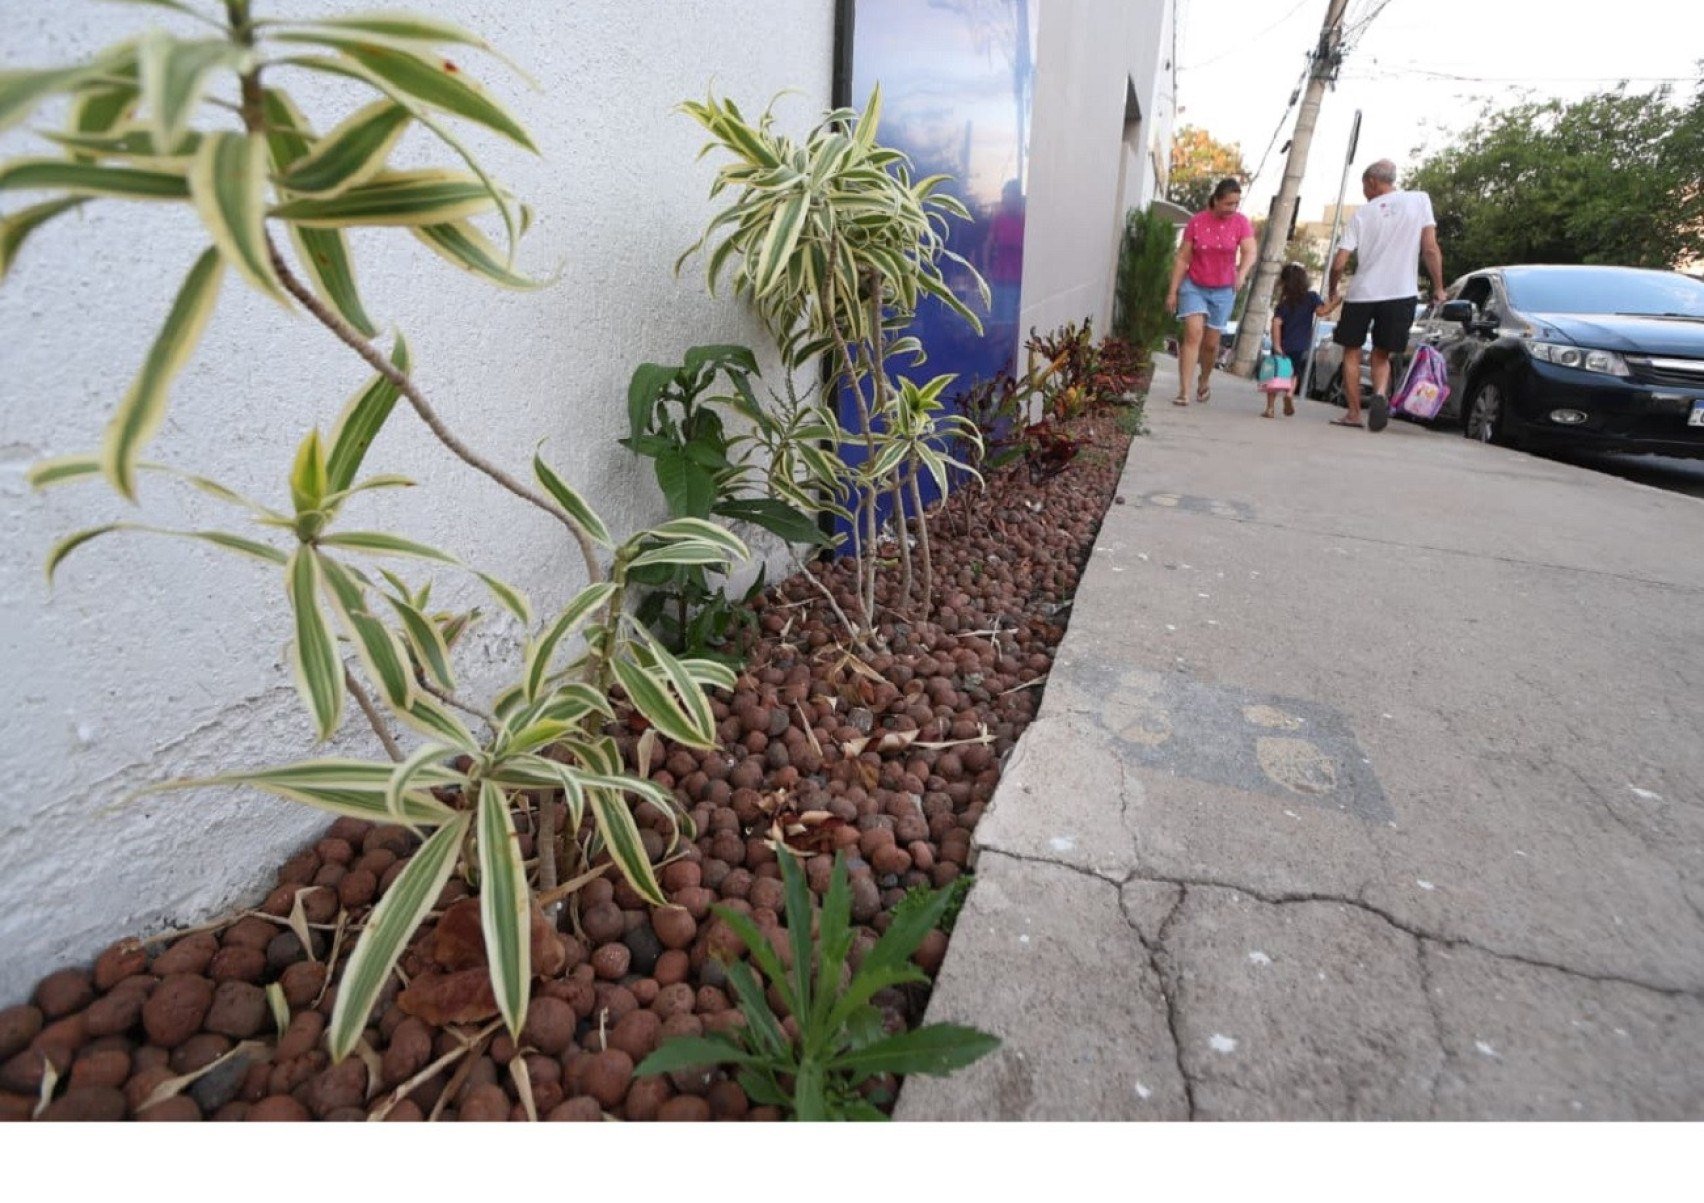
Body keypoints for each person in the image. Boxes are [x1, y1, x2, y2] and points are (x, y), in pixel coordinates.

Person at [1325, 159, 1445, 431]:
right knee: (1382, 354)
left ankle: (1353, 413)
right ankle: (1379, 393)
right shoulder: (1419, 200)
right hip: (1401, 293)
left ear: (1371, 182)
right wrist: (1438, 287)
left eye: (1363, 186)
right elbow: (1430, 248)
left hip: (1362, 294)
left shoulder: (1361, 214)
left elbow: (1339, 263)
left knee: (1351, 352)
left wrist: (1333, 291)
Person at [1166, 177, 1257, 406]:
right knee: (1193, 334)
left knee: (1210, 344)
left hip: (1223, 290)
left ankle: (1204, 379)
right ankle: (1184, 391)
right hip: (1194, 286)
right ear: (1216, 200)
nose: (1232, 208)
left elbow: (1250, 251)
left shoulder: (1240, 223)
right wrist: (1173, 291)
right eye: (1228, 203)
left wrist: (1241, 273)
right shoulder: (1197, 222)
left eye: (1236, 204)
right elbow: (1182, 258)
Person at [1266, 263, 1336, 418]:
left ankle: (1270, 408)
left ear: (1284, 283)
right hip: (1300, 346)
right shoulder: (1311, 297)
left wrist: (1276, 345)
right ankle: (1289, 393)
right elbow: (1322, 312)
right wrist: (1334, 304)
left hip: (1283, 345)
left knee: (1275, 376)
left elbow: (1276, 324)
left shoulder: (1284, 303)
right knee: (1294, 374)